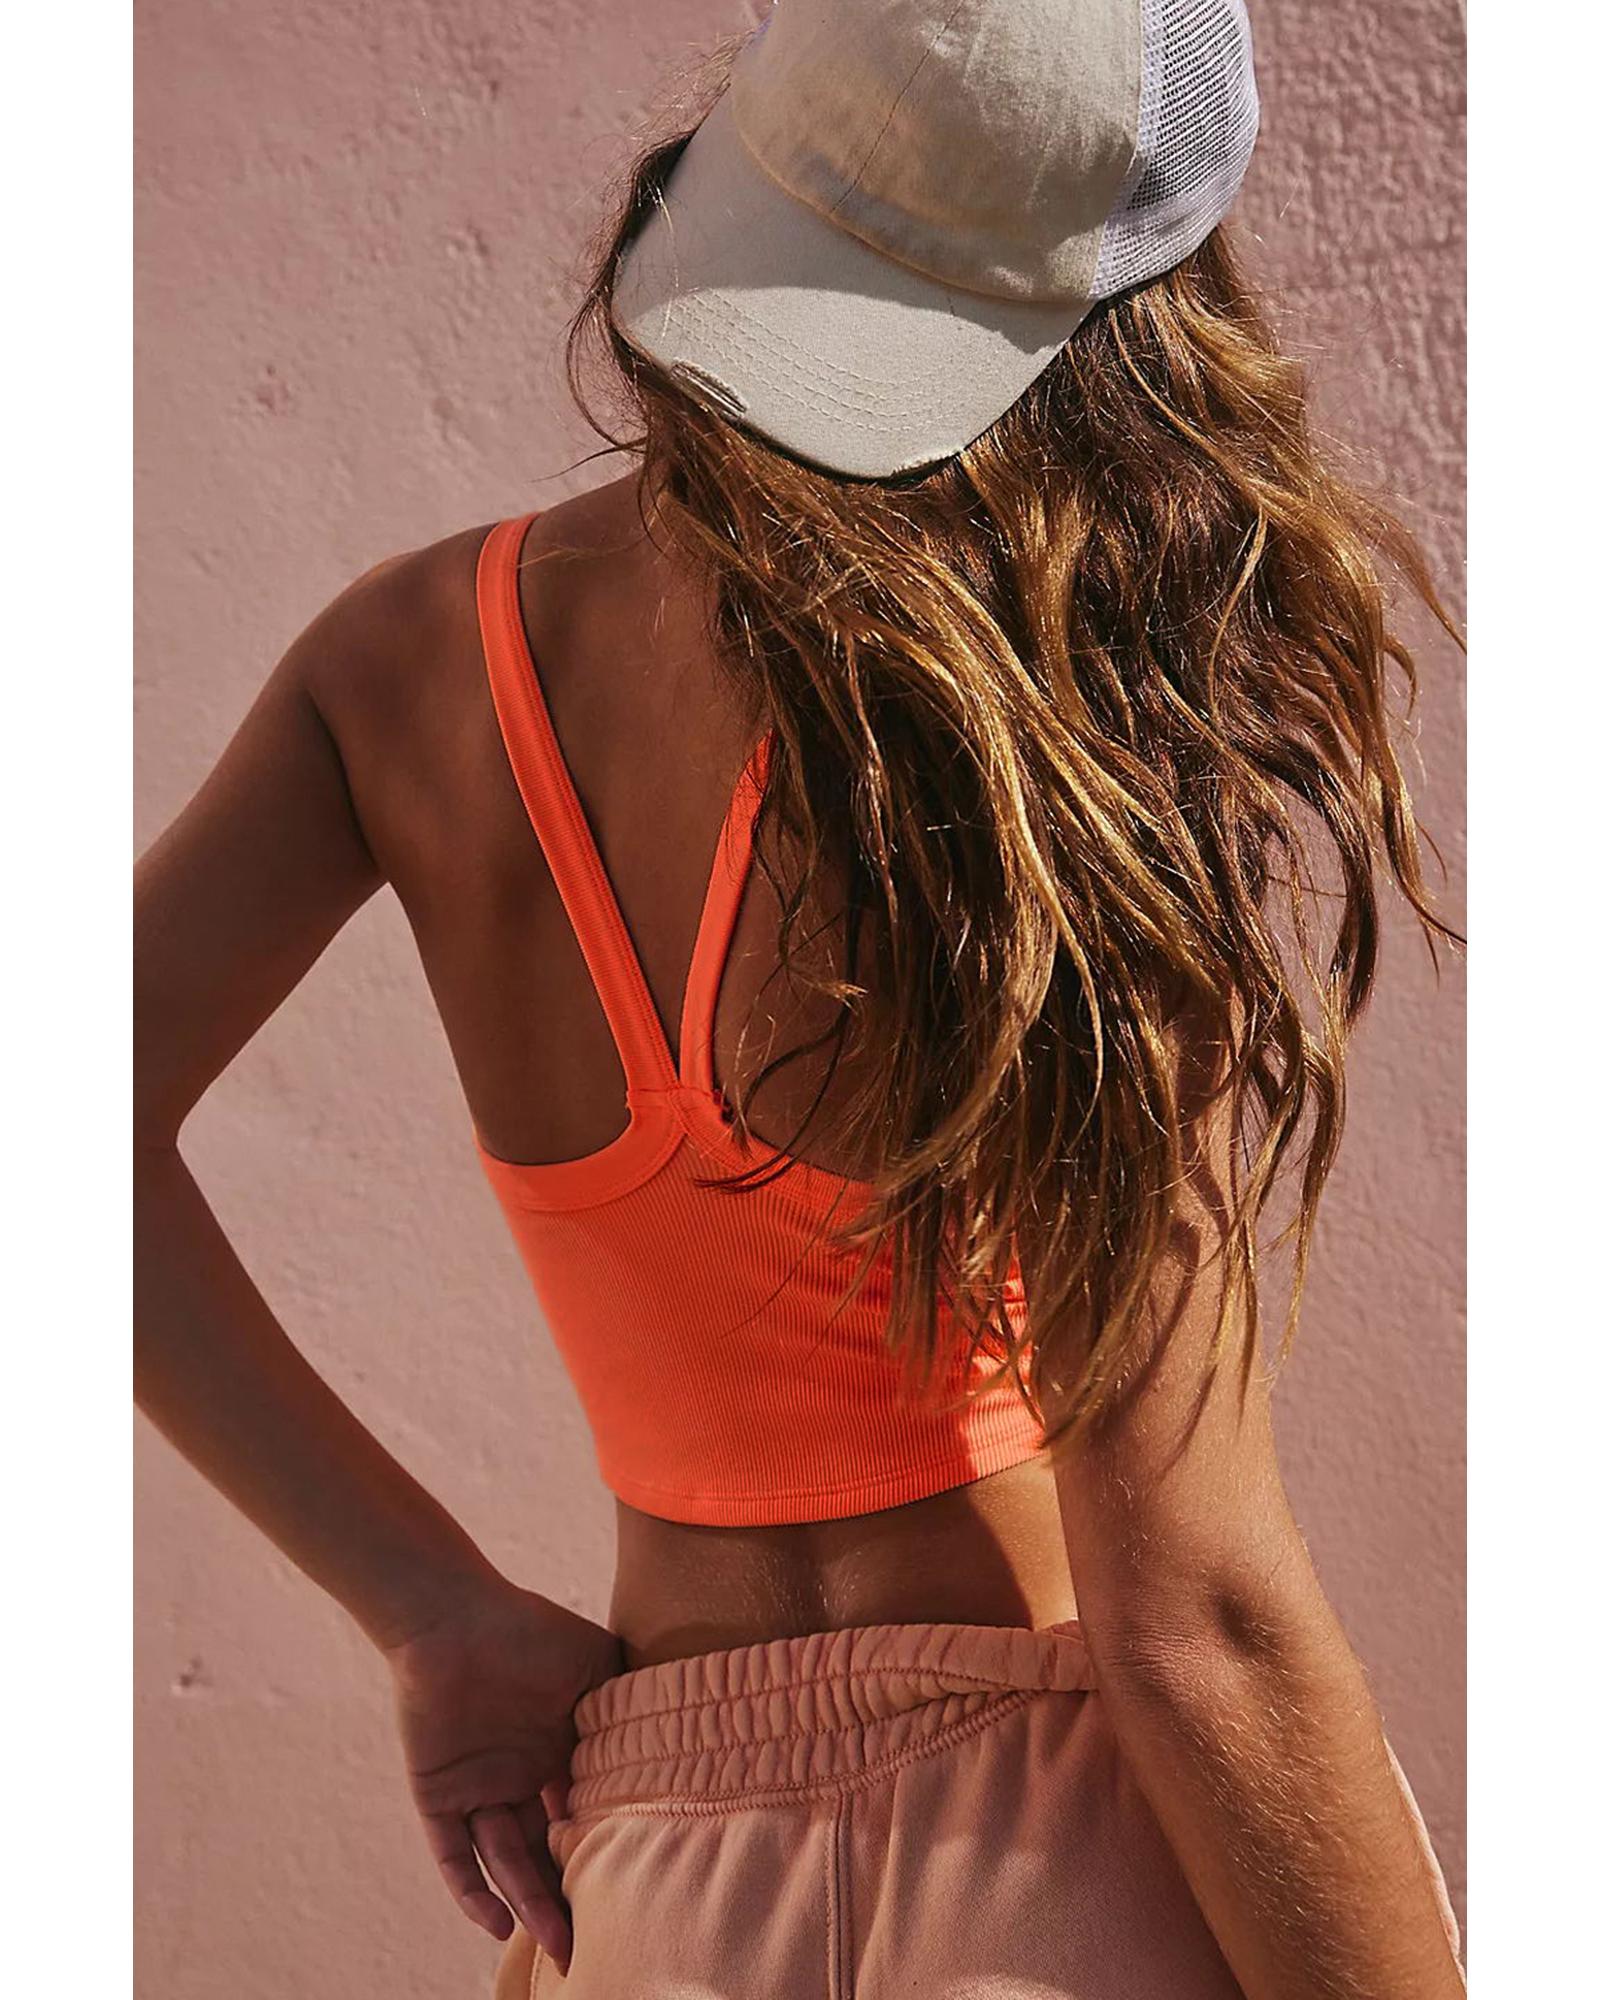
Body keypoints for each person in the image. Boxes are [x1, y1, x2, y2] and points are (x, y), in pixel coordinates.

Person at [134, 3, 1467, 1995]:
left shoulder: (402, 665)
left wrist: (428, 1609)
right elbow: (1193, 1617)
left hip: (652, 1877)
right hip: (1069, 1840)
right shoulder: (1061, 724)